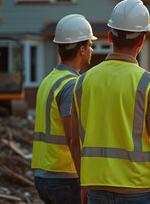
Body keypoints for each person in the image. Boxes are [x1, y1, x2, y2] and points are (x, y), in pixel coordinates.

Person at [71, 0, 150, 204]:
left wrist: (85, 184)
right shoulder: (149, 84)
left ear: (110, 36)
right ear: (142, 40)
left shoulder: (82, 83)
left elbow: (75, 141)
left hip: (96, 191)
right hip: (139, 191)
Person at [32, 14, 96, 204]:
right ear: (82, 50)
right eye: (91, 45)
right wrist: (85, 180)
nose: (92, 49)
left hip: (44, 175)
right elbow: (72, 137)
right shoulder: (71, 85)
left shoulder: (49, 79)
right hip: (64, 177)